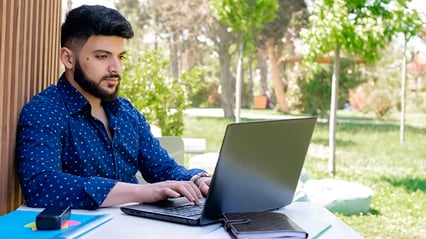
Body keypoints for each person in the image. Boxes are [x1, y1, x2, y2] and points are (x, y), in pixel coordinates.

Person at [16, 5, 211, 210]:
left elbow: (162, 168)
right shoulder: (45, 110)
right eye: (102, 56)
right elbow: (40, 186)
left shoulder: (126, 112)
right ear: (68, 58)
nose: (115, 68)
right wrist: (143, 192)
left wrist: (198, 179)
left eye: (120, 57)